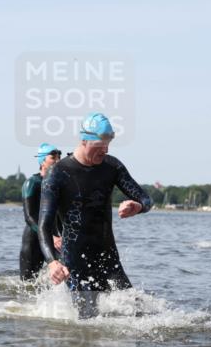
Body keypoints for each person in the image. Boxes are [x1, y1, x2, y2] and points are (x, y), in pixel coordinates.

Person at [38, 112, 152, 318]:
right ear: (84, 141)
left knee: (137, 313)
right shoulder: (58, 173)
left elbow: (146, 199)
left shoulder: (112, 167)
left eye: (108, 144)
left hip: (108, 257)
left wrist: (138, 207)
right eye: (100, 145)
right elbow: (44, 225)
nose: (105, 150)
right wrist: (52, 263)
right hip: (75, 260)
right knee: (87, 322)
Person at [20, 143, 63, 280]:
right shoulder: (32, 183)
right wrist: (51, 236)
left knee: (66, 270)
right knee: (28, 284)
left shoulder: (59, 184)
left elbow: (60, 216)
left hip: (54, 239)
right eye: (53, 158)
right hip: (33, 240)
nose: (57, 161)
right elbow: (29, 217)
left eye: (59, 158)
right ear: (42, 161)